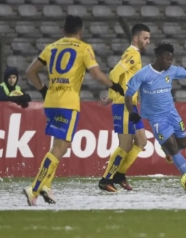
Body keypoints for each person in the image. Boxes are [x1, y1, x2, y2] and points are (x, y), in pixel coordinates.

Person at [23, 15, 124, 206]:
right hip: (68, 103)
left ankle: (46, 185)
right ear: (81, 31)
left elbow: (30, 71)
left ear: (63, 30)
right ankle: (34, 188)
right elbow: (96, 74)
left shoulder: (51, 47)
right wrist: (115, 86)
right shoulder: (84, 48)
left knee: (58, 146)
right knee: (61, 147)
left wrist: (44, 90)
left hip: (51, 101)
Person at [125, 43, 186, 177]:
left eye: (171, 59)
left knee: (182, 144)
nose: (170, 62)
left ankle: (166, 150)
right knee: (173, 148)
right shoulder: (144, 74)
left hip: (172, 114)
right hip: (157, 118)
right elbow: (128, 95)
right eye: (167, 59)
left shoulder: (171, 71)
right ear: (158, 57)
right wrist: (132, 113)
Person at [98, 24, 150, 192]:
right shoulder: (132, 54)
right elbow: (114, 74)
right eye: (145, 38)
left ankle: (119, 175)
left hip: (131, 105)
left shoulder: (135, 54)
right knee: (125, 145)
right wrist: (115, 95)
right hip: (124, 106)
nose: (148, 41)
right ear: (136, 38)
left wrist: (110, 96)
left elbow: (122, 78)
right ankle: (106, 180)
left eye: (149, 38)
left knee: (141, 141)